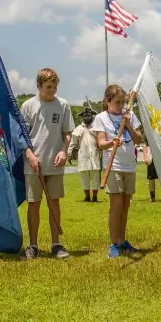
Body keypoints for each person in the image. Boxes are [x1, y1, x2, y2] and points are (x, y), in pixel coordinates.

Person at [19, 67, 74, 260]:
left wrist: (63, 151)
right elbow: (21, 136)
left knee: (54, 203)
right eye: (49, 87)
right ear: (39, 86)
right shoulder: (28, 106)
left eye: (55, 86)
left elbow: (67, 133)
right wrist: (30, 155)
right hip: (33, 165)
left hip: (55, 164)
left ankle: (56, 244)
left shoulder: (64, 105)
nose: (53, 90)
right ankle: (32, 245)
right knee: (33, 204)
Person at [92, 84, 144, 259]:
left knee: (126, 206)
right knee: (116, 206)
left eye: (123, 102)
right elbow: (101, 143)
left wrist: (128, 124)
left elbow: (138, 138)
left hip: (130, 165)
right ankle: (114, 243)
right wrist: (112, 142)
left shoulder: (129, 116)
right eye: (117, 102)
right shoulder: (100, 118)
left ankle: (122, 241)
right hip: (113, 166)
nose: (121, 105)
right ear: (107, 101)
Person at [70, 105, 101, 203]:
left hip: (95, 155)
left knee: (96, 177)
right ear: (82, 117)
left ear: (92, 116)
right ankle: (87, 197)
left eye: (89, 115)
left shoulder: (97, 127)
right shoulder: (78, 128)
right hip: (83, 156)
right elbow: (73, 143)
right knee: (84, 178)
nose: (87, 117)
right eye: (85, 115)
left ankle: (95, 197)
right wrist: (69, 153)